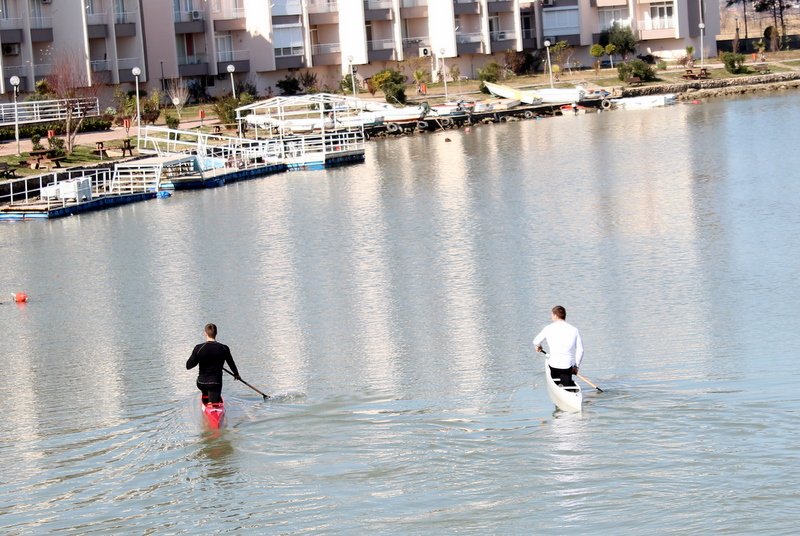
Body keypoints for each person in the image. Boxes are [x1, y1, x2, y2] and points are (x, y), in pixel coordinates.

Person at [187, 323, 240, 404]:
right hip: (215, 383)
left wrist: (199, 359)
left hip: (201, 383)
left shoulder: (198, 348)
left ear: (205, 333)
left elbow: (188, 366)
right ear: (216, 333)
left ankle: (206, 396)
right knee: (213, 398)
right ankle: (212, 402)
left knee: (206, 388)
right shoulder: (224, 348)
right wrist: (236, 374)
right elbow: (231, 363)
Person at [533, 305, 584, 388]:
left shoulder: (548, 328)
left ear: (555, 315)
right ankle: (567, 388)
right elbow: (580, 350)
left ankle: (558, 388)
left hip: (553, 366)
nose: (551, 317)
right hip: (567, 367)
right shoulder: (574, 330)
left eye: (552, 315)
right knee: (566, 383)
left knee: (556, 378)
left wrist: (538, 346)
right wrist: (576, 366)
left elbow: (536, 341)